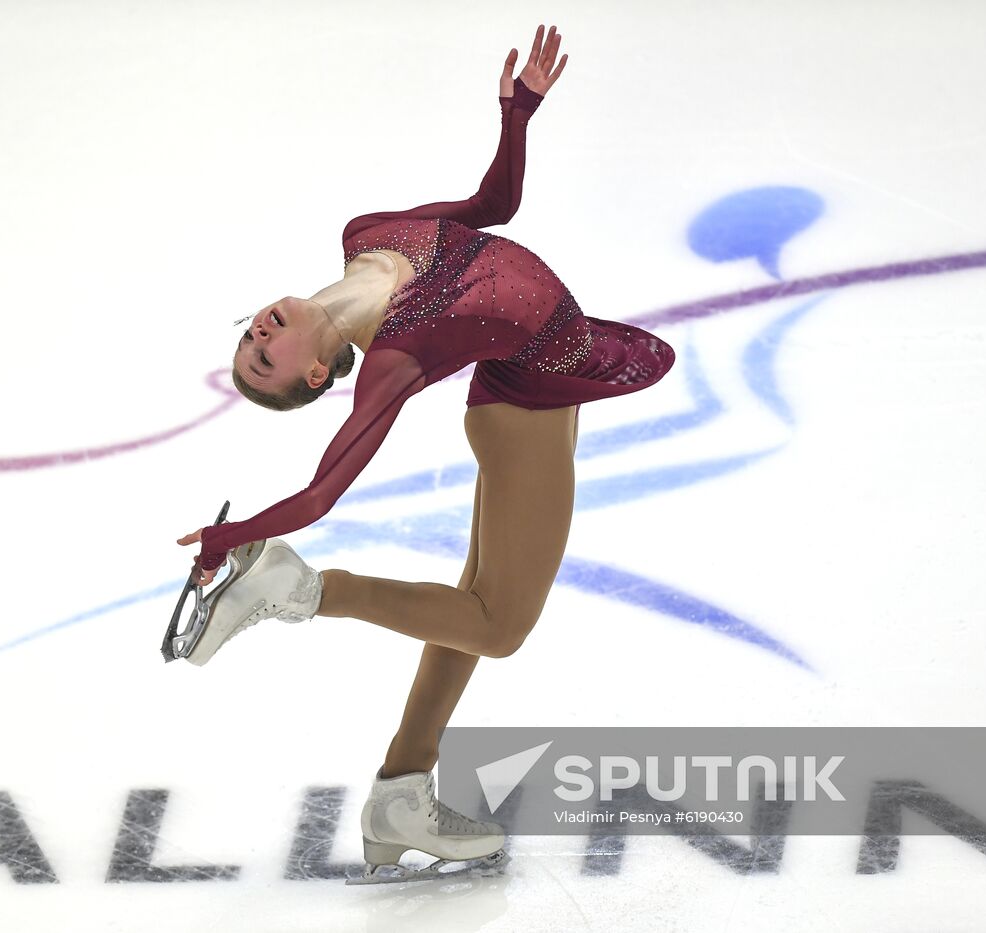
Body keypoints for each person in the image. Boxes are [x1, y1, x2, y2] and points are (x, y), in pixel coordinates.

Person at [174, 24, 675, 882]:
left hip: (530, 392)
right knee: (499, 626)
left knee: (473, 608)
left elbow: (495, 209)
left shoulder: (368, 231)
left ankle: (403, 790)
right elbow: (324, 489)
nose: (259, 336)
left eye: (251, 339)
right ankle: (300, 590)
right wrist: (240, 537)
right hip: (524, 413)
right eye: (265, 361)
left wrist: (518, 116)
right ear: (322, 372)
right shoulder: (395, 357)